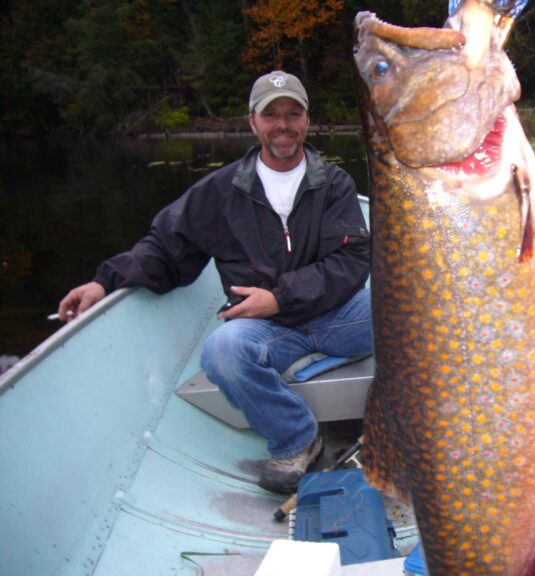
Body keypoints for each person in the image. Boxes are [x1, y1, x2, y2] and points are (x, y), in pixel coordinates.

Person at [58, 71, 372, 494]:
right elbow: (166, 248)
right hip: (268, 331)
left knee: (411, 315)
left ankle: (406, 427)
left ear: (307, 121)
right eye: (271, 115)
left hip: (339, 316)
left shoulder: (335, 184)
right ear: (252, 123)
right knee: (222, 352)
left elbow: (352, 260)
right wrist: (104, 282)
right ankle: (298, 438)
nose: (283, 124)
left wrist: (278, 297)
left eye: (293, 114)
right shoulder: (221, 190)